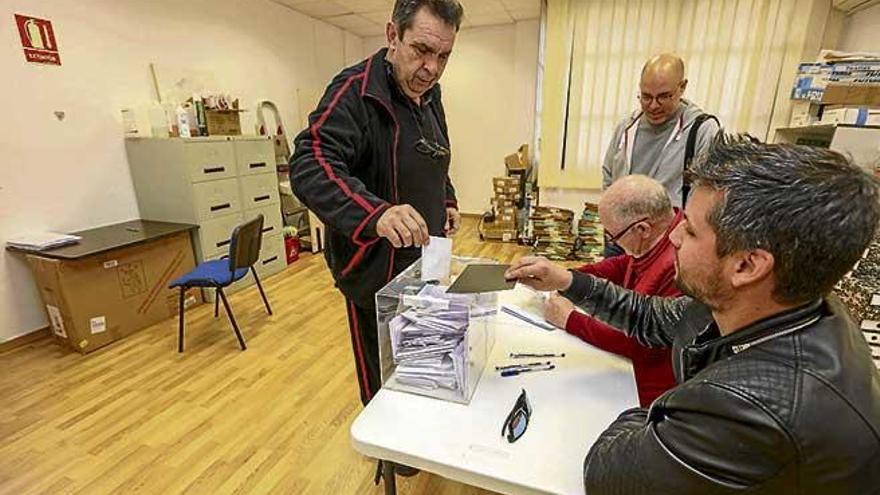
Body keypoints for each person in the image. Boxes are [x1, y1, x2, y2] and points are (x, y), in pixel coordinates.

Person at [507, 135, 880, 493]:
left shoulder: (750, 410)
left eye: (690, 229)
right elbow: (651, 318)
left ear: (748, 264)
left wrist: (657, 412)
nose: (673, 238)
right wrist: (568, 281)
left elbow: (611, 474)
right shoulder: (774, 302)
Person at [290, 0, 464, 407]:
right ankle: (389, 454)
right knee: (382, 371)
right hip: (376, 269)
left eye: (443, 56)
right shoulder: (355, 91)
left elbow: (433, 155)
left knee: (420, 357)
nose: (432, 68)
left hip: (426, 257)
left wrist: (447, 198)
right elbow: (310, 161)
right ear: (392, 36)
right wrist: (377, 212)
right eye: (422, 50)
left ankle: (417, 427)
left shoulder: (430, 93)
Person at [544, 175, 681, 407]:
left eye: (613, 236)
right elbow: (622, 265)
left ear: (642, 229)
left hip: (649, 392)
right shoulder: (658, 236)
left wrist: (570, 319)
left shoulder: (678, 264)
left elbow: (638, 339)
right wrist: (568, 276)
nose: (611, 241)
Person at [602, 53, 720, 257]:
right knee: (606, 287)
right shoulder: (627, 126)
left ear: (682, 87)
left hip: (666, 242)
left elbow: (707, 193)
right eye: (646, 97)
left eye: (664, 96)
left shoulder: (702, 129)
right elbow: (608, 175)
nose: (653, 105)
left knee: (648, 290)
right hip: (622, 237)